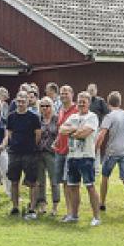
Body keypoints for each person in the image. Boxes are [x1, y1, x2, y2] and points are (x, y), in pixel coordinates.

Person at [59, 91, 101, 225]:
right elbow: (61, 130)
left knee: (90, 186)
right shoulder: (73, 116)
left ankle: (96, 217)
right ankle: (74, 215)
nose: (81, 103)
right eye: (79, 101)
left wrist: (73, 131)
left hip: (86, 157)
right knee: (72, 187)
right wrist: (77, 130)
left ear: (89, 103)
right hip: (72, 156)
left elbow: (85, 133)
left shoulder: (92, 116)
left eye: (84, 101)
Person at [6, 89, 42, 219]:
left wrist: (32, 145)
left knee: (32, 181)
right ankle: (15, 206)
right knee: (14, 181)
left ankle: (32, 208)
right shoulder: (11, 116)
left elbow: (38, 134)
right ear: (16, 101)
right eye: (19, 101)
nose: (21, 103)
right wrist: (14, 143)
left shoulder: (34, 117)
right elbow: (9, 133)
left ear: (28, 102)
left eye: (23, 101)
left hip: (30, 153)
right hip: (14, 152)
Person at [96, 91, 124, 213]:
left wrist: (95, 149)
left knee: (105, 177)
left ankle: (102, 203)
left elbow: (101, 135)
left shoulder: (109, 116)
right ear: (120, 102)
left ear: (108, 103)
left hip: (112, 151)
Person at [54, 86, 78, 216]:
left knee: (70, 182)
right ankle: (68, 210)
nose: (63, 95)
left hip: (72, 151)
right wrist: (57, 139)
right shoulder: (61, 110)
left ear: (72, 94)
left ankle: (72, 212)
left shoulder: (76, 110)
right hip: (60, 150)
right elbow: (60, 129)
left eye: (66, 93)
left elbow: (77, 128)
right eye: (61, 94)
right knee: (63, 182)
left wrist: (65, 130)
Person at [35, 96, 60, 215]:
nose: (45, 108)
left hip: (52, 153)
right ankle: (42, 204)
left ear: (52, 107)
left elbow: (61, 135)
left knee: (54, 180)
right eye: (42, 106)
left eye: (47, 105)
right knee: (40, 181)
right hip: (39, 153)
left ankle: (55, 206)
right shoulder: (37, 120)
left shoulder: (57, 119)